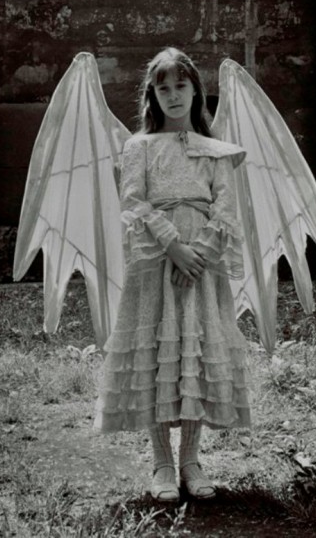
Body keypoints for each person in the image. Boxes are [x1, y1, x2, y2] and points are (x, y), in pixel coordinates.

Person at [93, 47, 251, 502]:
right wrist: (173, 247)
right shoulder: (138, 147)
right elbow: (133, 201)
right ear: (153, 95)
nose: (174, 95)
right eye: (164, 88)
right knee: (158, 354)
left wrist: (198, 254)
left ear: (196, 91)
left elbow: (225, 206)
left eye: (182, 86)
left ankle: (191, 462)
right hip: (157, 258)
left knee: (194, 350)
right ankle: (162, 462)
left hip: (201, 264)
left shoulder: (216, 150)